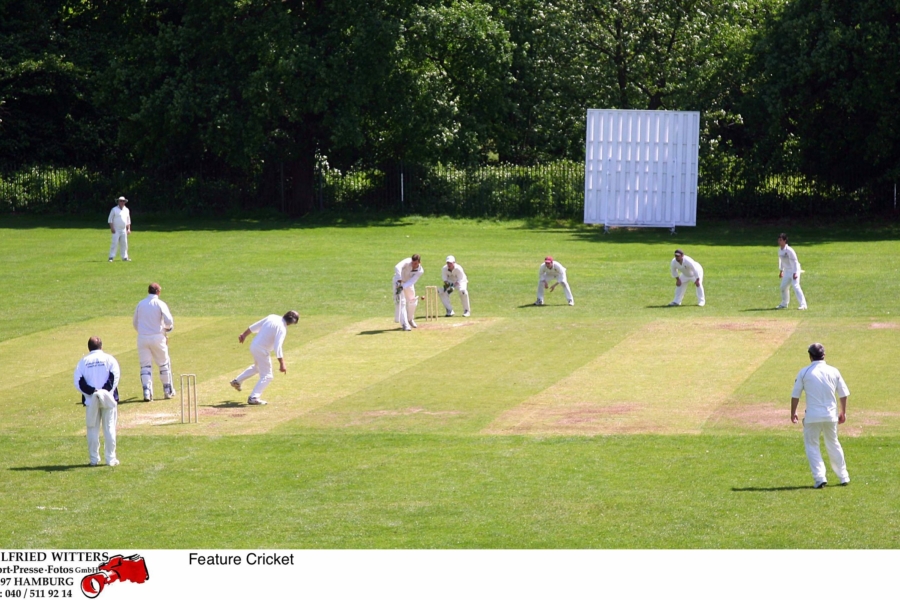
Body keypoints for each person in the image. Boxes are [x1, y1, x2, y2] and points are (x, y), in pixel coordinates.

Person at [790, 343, 850, 488]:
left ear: (810, 356)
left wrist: (793, 413)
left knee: (812, 445)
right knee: (833, 444)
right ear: (824, 355)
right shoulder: (834, 371)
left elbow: (795, 395)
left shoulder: (804, 372)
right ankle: (843, 476)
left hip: (812, 417)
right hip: (830, 416)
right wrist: (843, 412)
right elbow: (843, 393)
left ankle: (820, 478)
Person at [229, 311, 299, 405]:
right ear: (292, 322)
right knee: (268, 376)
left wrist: (244, 334)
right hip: (262, 350)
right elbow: (277, 347)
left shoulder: (272, 317)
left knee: (257, 368)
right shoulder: (282, 329)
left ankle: (237, 381)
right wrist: (282, 363)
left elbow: (255, 326)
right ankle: (254, 397)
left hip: (254, 345)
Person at [73, 337, 121, 467]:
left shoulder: (83, 362)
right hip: (108, 399)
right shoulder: (109, 359)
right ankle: (110, 459)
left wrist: (93, 392)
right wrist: (104, 392)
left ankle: (94, 459)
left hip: (91, 400)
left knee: (92, 430)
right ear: (101, 346)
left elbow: (78, 382)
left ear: (89, 347)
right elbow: (114, 378)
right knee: (109, 428)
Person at [133, 283, 175, 402]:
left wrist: (143, 332)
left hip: (142, 338)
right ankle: (167, 390)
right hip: (157, 337)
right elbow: (169, 321)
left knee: (145, 366)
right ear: (158, 292)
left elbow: (135, 323)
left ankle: (147, 392)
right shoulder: (160, 304)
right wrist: (166, 329)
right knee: (163, 363)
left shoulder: (140, 304)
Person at [393, 254, 424, 331]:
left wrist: (403, 287)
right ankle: (405, 324)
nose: (413, 265)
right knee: (402, 302)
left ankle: (410, 319)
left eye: (415, 263)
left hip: (408, 283)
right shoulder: (407, 261)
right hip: (398, 282)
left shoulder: (420, 271)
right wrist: (399, 278)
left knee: (413, 300)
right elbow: (397, 267)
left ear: (419, 262)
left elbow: (412, 281)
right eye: (412, 263)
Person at [777, 233, 807, 310]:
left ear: (785, 241)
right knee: (783, 287)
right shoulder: (780, 250)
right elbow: (781, 261)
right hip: (787, 271)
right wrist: (781, 270)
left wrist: (795, 272)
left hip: (794, 270)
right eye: (779, 240)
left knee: (796, 286)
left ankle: (803, 305)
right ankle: (784, 304)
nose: (779, 241)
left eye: (781, 240)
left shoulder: (789, 250)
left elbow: (795, 262)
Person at [108, 196, 131, 262]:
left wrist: (128, 229)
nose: (122, 202)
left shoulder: (126, 210)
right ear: (118, 202)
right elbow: (110, 220)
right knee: (114, 243)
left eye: (123, 201)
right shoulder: (114, 209)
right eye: (120, 201)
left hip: (123, 229)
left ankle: (125, 257)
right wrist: (112, 228)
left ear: (125, 202)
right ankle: (111, 257)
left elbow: (128, 220)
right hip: (116, 229)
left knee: (124, 243)